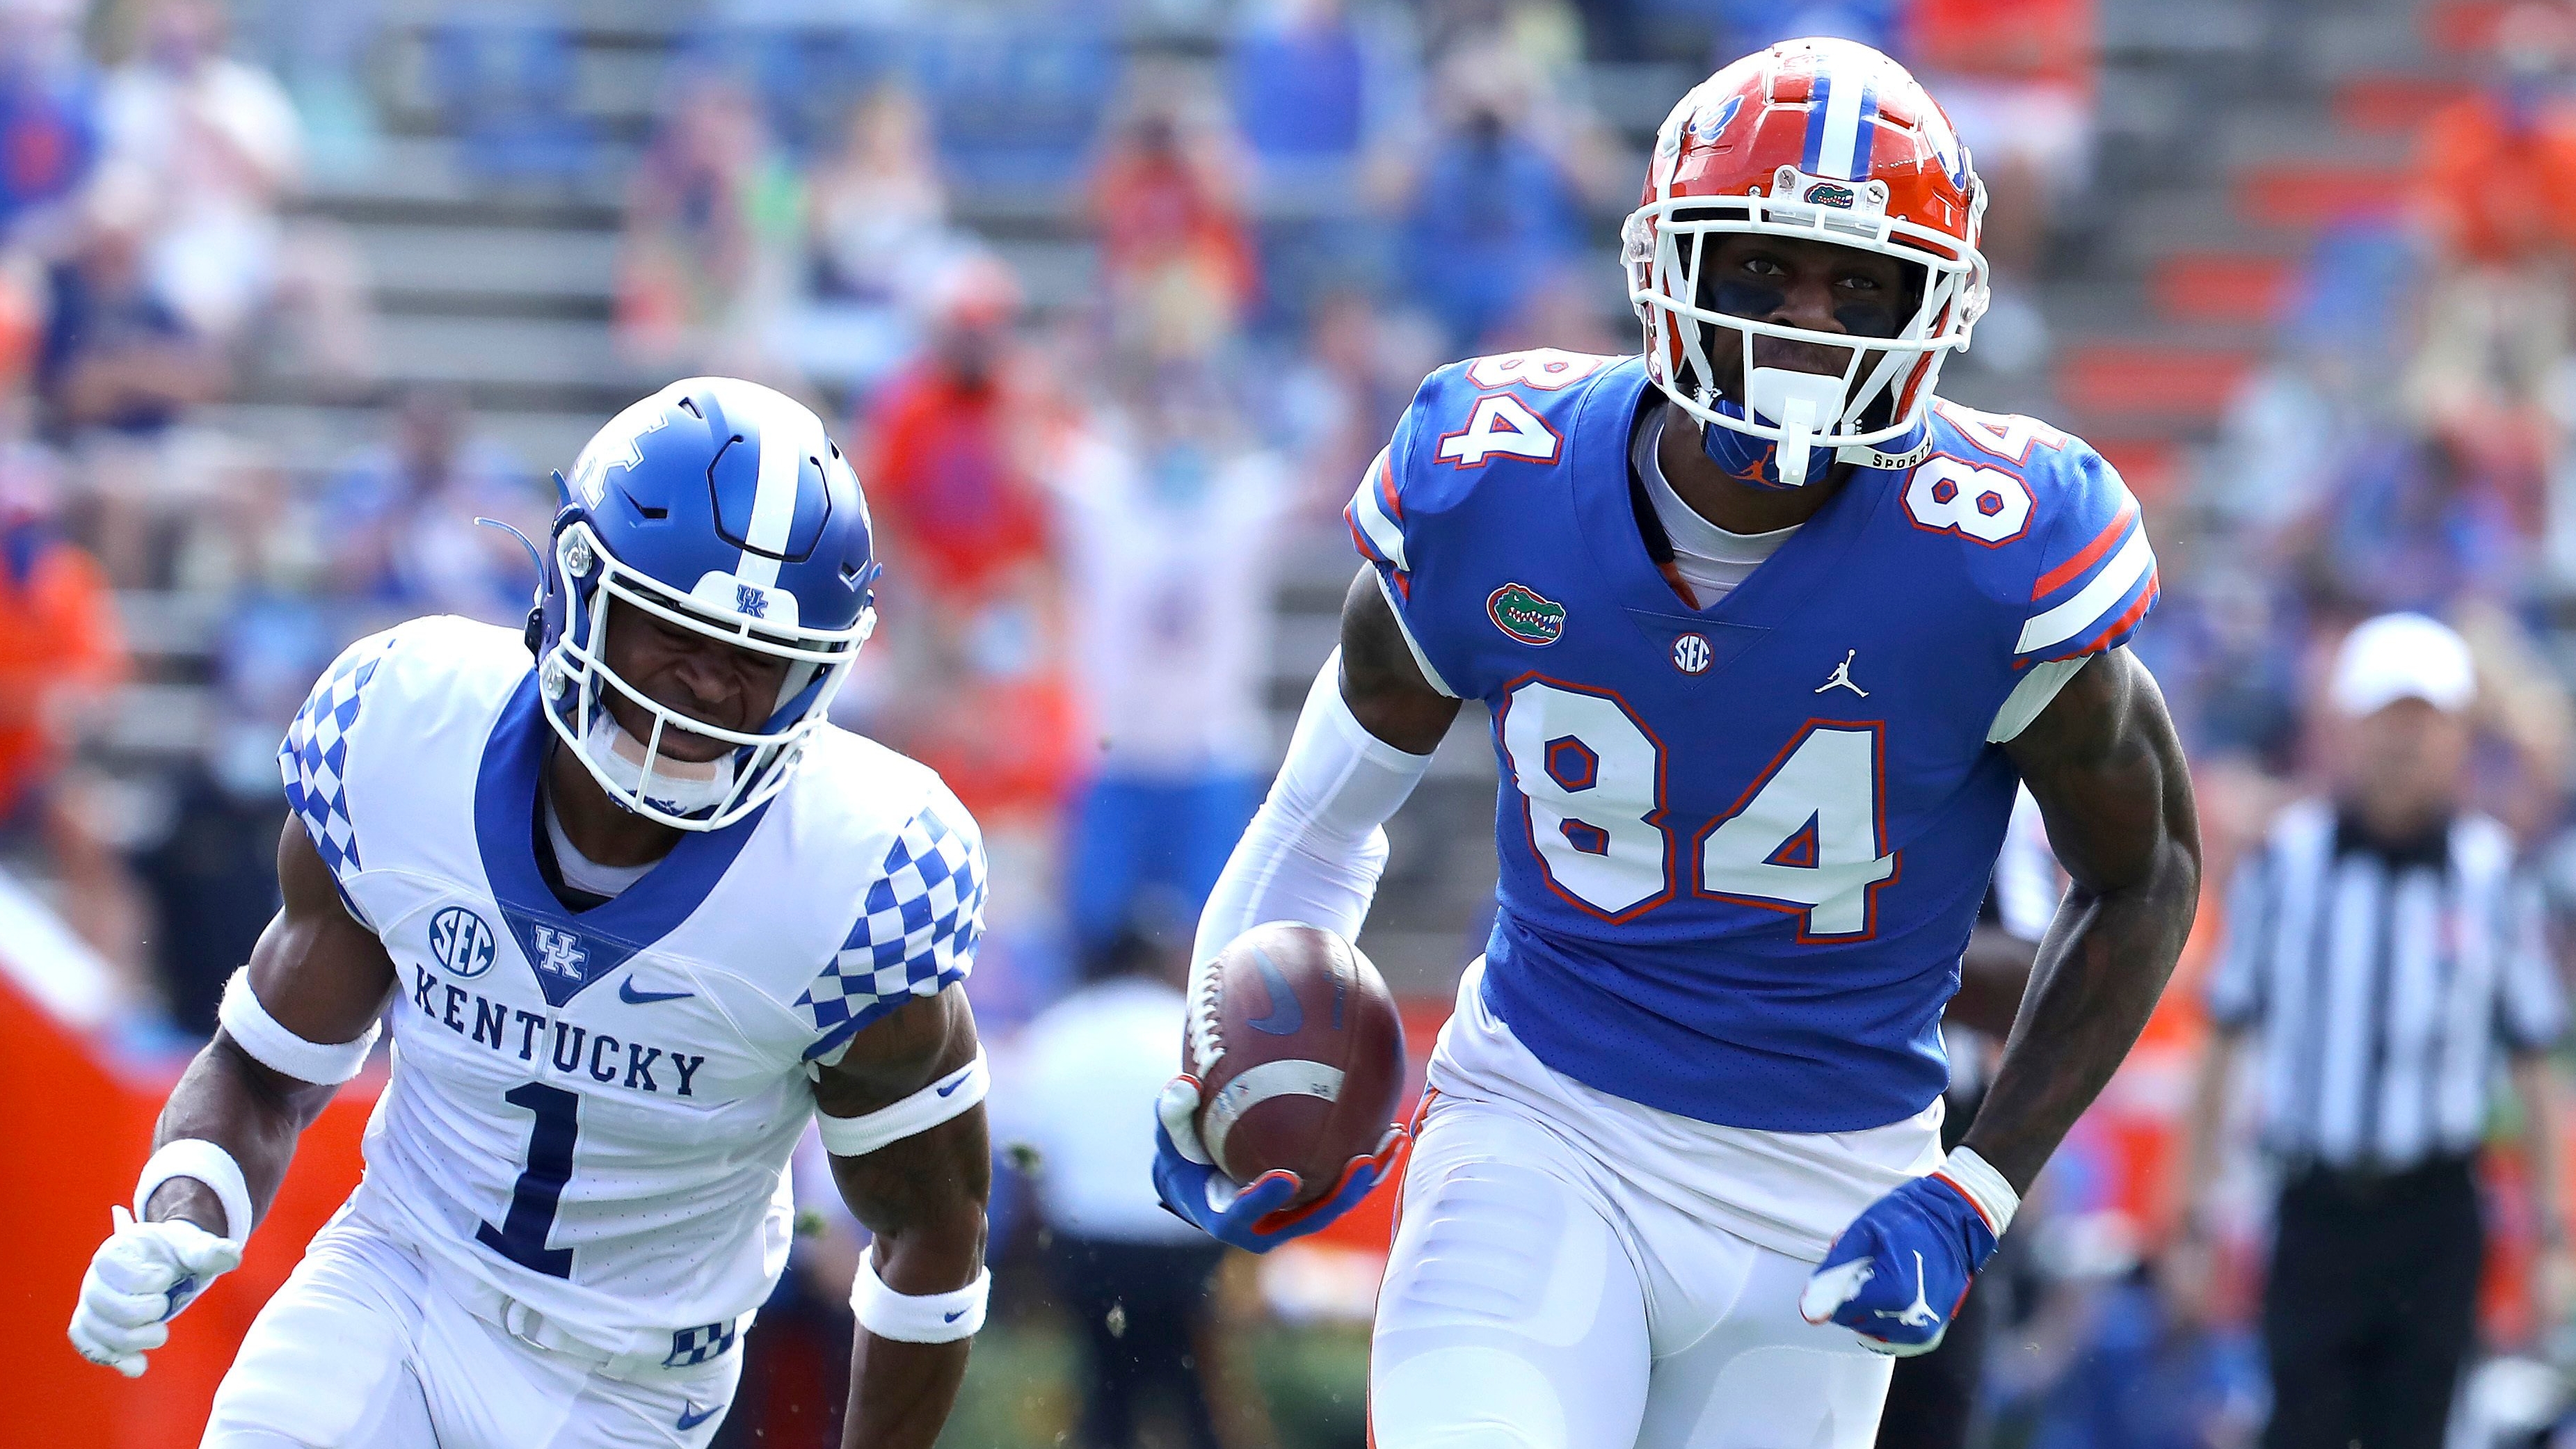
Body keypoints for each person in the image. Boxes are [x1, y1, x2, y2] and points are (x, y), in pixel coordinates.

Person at [1152, 38, 2202, 1448]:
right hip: (1542, 1123)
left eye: (1860, 284)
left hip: (1825, 1195)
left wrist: (1979, 1190)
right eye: (1762, 267)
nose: (1806, 320)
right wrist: (1219, 1044)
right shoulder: (1492, 484)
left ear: (1932, 308)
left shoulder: (1994, 552)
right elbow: (1324, 819)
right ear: (1670, 268)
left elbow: (2147, 872)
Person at [65, 378, 997, 1448]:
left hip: (630, 1386)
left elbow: (931, 1231)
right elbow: (266, 1065)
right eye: (669, 628)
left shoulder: (858, 878)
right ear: (576, 590)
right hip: (398, 1285)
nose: (706, 687)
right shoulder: (408, 731)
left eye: (756, 659)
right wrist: (187, 1209)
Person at [2177, 611, 2570, 1449]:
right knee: (2302, 1426)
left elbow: (2536, 1063)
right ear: (2343, 732)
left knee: (2417, 1431)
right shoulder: (2286, 863)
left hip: (2435, 1212)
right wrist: (2193, 1219)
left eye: (2422, 723)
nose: (2403, 744)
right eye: (2386, 721)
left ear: (2459, 736)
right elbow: (2223, 1039)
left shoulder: (2493, 874)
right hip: (2315, 1205)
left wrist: (2551, 1234)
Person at [998, 913, 1229, 1449]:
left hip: (1088, 1243)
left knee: (1107, 1385)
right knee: (1188, 1383)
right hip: (1181, 1239)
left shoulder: (1058, 1030)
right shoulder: (1187, 1028)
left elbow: (1024, 1152)